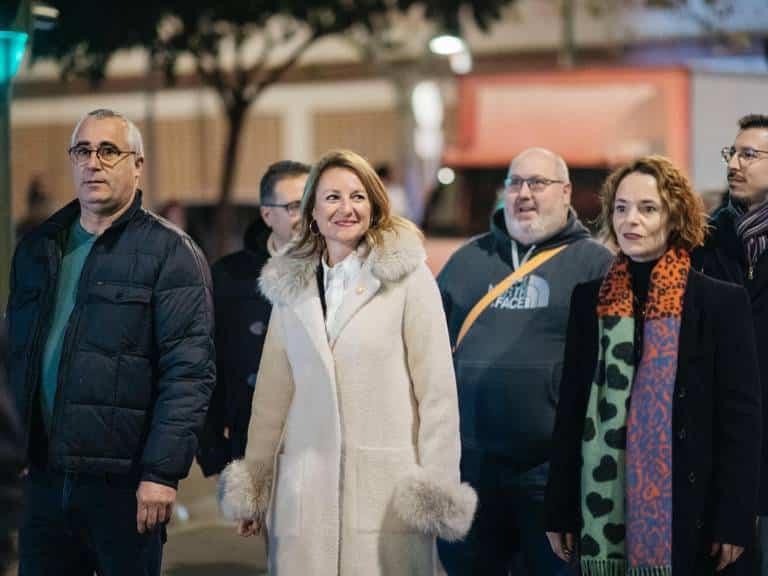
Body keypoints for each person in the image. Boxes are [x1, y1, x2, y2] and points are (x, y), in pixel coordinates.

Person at [218, 149, 476, 575]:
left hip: (386, 492)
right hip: (304, 491)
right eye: (332, 197)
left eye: (357, 196)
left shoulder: (408, 279)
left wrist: (436, 486)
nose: (346, 208)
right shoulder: (290, 287)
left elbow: (437, 396)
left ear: (373, 206)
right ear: (313, 212)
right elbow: (271, 398)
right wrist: (257, 486)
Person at [6, 108, 216, 576]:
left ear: (137, 165)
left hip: (125, 488)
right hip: (42, 479)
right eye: (82, 151)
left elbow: (189, 373)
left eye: (108, 151)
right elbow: (16, 356)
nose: (93, 163)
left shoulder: (172, 254)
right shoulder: (39, 247)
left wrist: (161, 473)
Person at [546, 155, 761, 575]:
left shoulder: (719, 302)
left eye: (648, 208)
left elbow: (741, 422)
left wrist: (734, 520)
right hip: (604, 508)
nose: (631, 220)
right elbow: (571, 409)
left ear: (675, 216)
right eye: (622, 208)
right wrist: (559, 508)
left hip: (693, 508)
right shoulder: (589, 298)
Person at [436, 147, 613, 575]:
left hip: (551, 474)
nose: (524, 194)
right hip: (470, 469)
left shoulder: (596, 264)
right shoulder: (467, 261)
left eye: (538, 183)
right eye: (515, 183)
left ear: (566, 191)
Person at [197, 160, 310, 476]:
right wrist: (212, 447)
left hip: (323, 440)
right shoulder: (229, 277)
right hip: (253, 442)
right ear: (266, 214)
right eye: (294, 206)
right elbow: (206, 363)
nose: (307, 215)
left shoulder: (338, 272)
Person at [692, 113, 768, 574]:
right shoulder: (702, 242)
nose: (735, 164)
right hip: (720, 440)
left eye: (750, 155)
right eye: (732, 153)